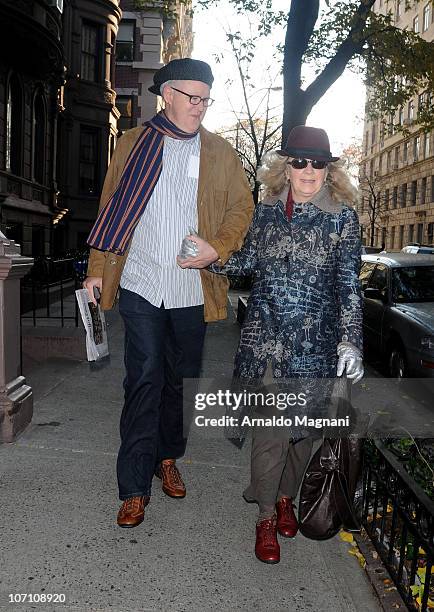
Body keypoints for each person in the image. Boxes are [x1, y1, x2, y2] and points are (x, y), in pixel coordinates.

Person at [83, 58, 253, 528]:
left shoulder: (220, 152)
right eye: (192, 97)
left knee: (178, 381)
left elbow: (242, 208)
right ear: (168, 95)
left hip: (192, 289)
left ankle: (167, 457)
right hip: (139, 282)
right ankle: (134, 486)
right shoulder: (133, 143)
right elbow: (112, 205)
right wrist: (97, 268)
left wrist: (216, 248)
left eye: (206, 98)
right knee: (143, 380)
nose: (200, 106)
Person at [206, 125, 364, 563]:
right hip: (265, 340)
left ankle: (285, 499)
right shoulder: (268, 210)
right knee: (272, 432)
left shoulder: (342, 217)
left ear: (329, 170)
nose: (308, 169)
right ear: (286, 167)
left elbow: (350, 285)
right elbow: (249, 262)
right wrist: (212, 259)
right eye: (299, 161)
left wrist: (350, 341)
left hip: (314, 345)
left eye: (317, 162)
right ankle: (265, 517)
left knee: (302, 438)